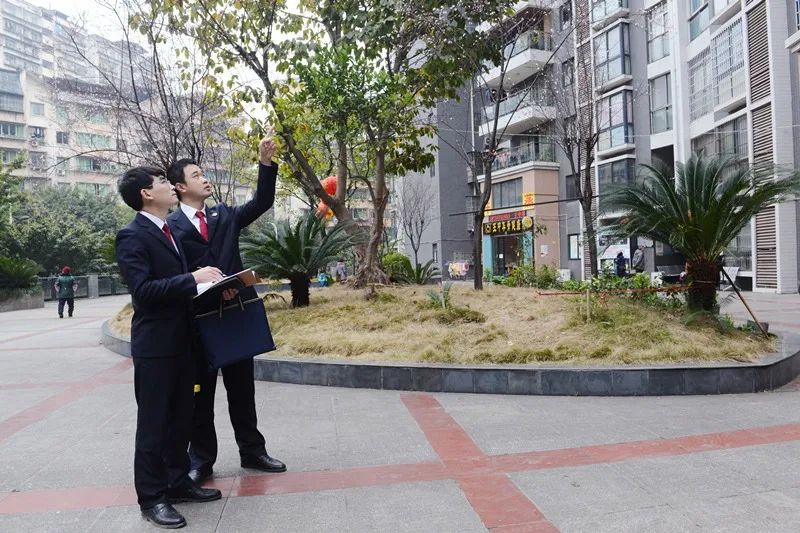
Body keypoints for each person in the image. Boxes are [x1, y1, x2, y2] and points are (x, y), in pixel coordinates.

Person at [167, 134, 285, 485]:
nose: (205, 179)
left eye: (204, 173)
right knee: (200, 395)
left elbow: (262, 201)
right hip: (198, 322)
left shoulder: (225, 215)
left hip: (234, 315)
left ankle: (253, 450)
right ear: (180, 187)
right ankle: (201, 459)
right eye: (196, 175)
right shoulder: (170, 227)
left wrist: (265, 162)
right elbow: (171, 273)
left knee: (242, 389)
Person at [116, 166, 224, 529]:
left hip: (183, 342)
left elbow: (176, 286)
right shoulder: (132, 235)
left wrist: (210, 285)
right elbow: (144, 293)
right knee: (154, 425)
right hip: (156, 347)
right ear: (146, 194)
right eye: (162, 181)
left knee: (181, 418)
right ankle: (152, 498)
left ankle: (177, 483)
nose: (170, 186)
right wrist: (192, 278)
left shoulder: (169, 230)